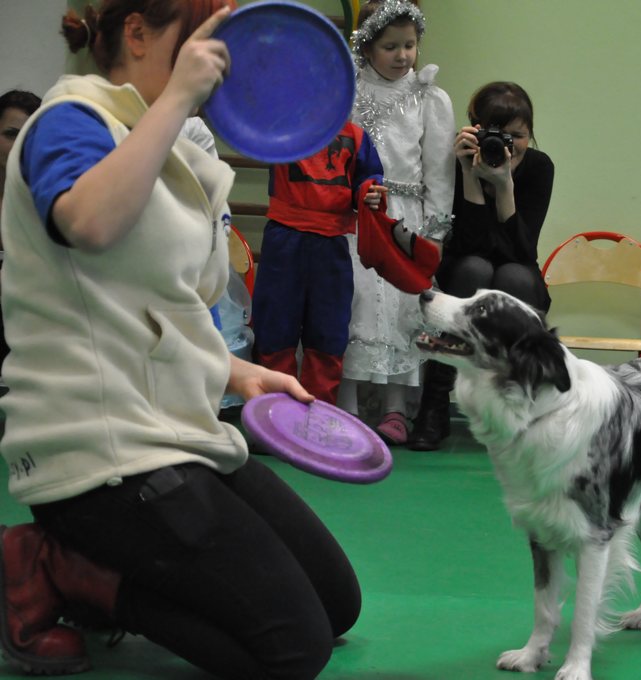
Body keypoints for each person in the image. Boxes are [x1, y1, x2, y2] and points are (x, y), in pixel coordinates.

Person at [0, 2, 362, 677]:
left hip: (176, 431)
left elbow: (146, 305)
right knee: (292, 651)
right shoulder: (70, 121)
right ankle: (66, 573)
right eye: (202, 34)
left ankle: (120, 571)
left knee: (337, 604)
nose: (221, 55)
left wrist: (235, 372)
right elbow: (89, 222)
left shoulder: (159, 139)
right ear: (136, 33)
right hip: (96, 451)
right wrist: (181, 99)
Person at [408, 81, 555, 451]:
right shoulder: (457, 162)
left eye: (518, 135)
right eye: (497, 134)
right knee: (475, 268)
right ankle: (435, 406)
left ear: (530, 135)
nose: (507, 145)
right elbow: (469, 244)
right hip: (465, 270)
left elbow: (523, 252)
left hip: (518, 272)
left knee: (512, 275)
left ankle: (525, 411)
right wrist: (470, 174)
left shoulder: (538, 168)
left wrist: (504, 185)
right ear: (475, 128)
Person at [340, 0, 455, 445]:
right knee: (353, 306)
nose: (403, 55)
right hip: (355, 214)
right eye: (390, 47)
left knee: (403, 313)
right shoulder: (347, 91)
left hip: (404, 218)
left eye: (409, 45)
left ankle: (395, 408)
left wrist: (435, 231)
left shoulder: (430, 98)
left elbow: (439, 172)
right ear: (367, 47)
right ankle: (346, 405)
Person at [249, 98, 386, 406]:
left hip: (332, 244)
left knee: (329, 330)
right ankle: (273, 412)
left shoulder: (357, 136)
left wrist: (370, 193)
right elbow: (252, 123)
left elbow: (369, 177)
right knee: (275, 326)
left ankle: (319, 414)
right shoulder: (283, 128)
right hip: (285, 238)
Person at [0, 89, 42, 370]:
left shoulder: (51, 202)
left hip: (27, 337)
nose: (20, 144)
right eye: (11, 134)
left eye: (30, 135)